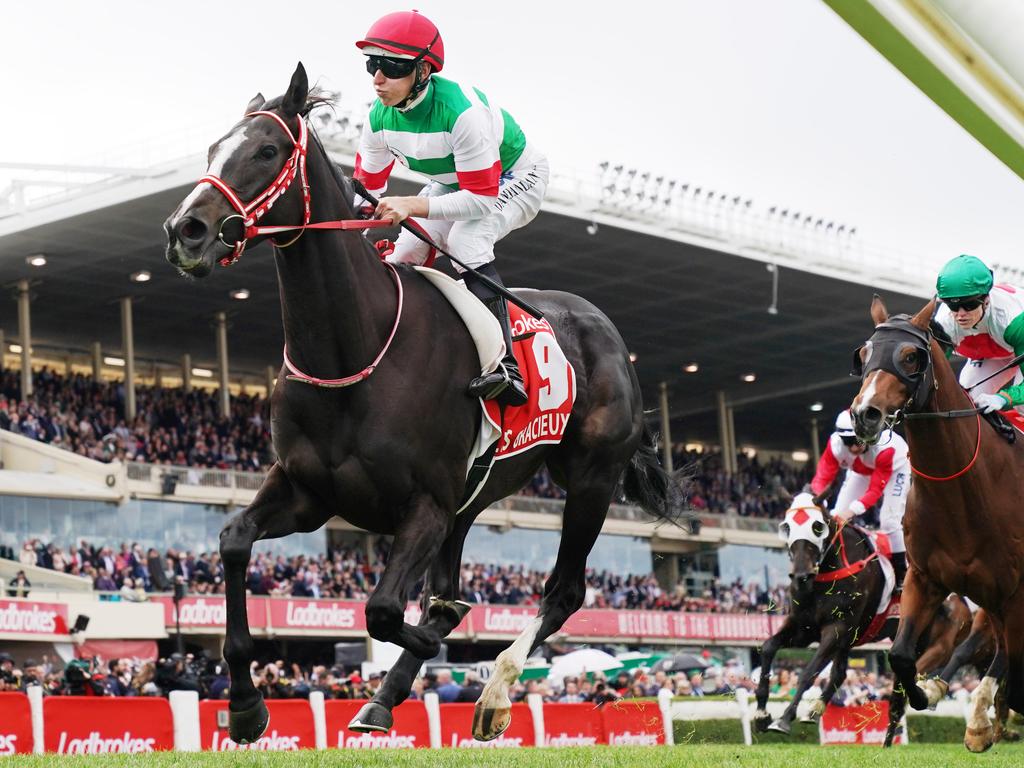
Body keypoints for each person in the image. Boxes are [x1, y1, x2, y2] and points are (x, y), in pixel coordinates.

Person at [353, 10, 550, 406]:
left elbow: (480, 197)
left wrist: (411, 203)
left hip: (513, 176)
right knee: (405, 252)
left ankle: (505, 365)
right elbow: (366, 193)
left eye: (391, 66)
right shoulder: (377, 117)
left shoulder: (462, 113)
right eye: (372, 64)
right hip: (454, 180)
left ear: (423, 71)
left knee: (465, 242)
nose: (377, 78)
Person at [810, 409, 910, 589]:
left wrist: (852, 511)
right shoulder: (834, 445)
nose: (854, 448)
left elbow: (875, 491)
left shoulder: (884, 448)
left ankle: (902, 575)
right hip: (862, 470)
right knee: (835, 516)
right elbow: (821, 479)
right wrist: (816, 504)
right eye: (849, 443)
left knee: (889, 521)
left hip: (896, 468)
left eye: (858, 441)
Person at [933, 254, 1024, 416]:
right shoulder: (944, 322)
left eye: (969, 305)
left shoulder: (1012, 319)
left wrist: (1004, 398)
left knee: (1021, 405)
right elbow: (933, 370)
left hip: (1017, 340)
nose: (960, 314)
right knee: (969, 403)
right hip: (997, 351)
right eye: (953, 306)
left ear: (986, 300)